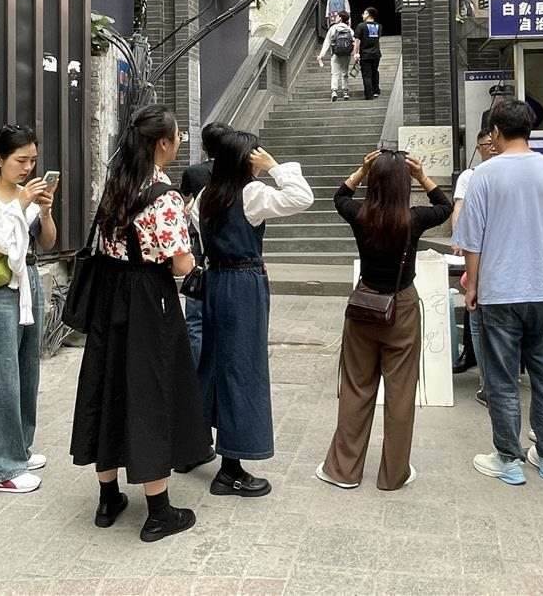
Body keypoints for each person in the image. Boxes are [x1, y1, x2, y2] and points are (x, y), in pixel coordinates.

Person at [70, 105, 211, 542]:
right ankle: (159, 512)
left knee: (106, 387)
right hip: (149, 299)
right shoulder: (164, 196)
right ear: (162, 143)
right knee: (151, 393)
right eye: (178, 136)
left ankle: (108, 497)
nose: (180, 142)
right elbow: (181, 263)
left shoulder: (116, 185)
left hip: (110, 295)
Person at [454, 100, 543, 485]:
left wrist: (473, 285)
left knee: (502, 378)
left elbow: (472, 241)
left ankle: (508, 459)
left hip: (498, 291)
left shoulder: (483, 175)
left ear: (495, 132)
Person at [318, 150, 453, 491]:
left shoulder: (359, 214)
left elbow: (339, 197)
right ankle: (393, 474)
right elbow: (445, 206)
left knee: (356, 387)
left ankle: (344, 470)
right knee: (401, 392)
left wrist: (362, 170)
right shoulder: (414, 219)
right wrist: (422, 176)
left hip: (364, 304)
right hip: (402, 305)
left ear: (374, 181)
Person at [197, 132, 313, 497]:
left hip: (215, 281)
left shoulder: (206, 194)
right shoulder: (251, 194)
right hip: (243, 284)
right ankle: (231, 468)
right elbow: (302, 197)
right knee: (243, 369)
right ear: (245, 160)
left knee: (215, 364)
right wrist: (275, 167)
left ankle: (194, 444)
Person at [0, 125, 57, 493]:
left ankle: (19, 448)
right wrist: (20, 205)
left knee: (25, 371)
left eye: (33, 160)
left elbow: (47, 242)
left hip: (27, 281)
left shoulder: (26, 194)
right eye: (21, 160)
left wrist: (44, 212)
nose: (28, 168)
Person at [180, 121, 234, 368]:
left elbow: (184, 202)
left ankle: (197, 370)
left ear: (203, 146)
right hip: (231, 249)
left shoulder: (193, 173)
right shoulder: (238, 175)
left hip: (200, 247)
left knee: (195, 317)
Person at [452, 128, 496, 380]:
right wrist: (458, 237)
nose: (491, 147)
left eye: (493, 142)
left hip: (498, 252)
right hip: (478, 250)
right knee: (473, 298)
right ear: (478, 148)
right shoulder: (470, 176)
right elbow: (459, 205)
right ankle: (471, 355)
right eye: (486, 144)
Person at [317, 11, 356, 102]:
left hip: (335, 54)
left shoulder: (333, 28)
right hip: (346, 54)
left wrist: (321, 55)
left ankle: (334, 91)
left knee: (335, 73)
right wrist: (355, 54)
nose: (335, 17)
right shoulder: (349, 29)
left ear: (340, 18)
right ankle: (345, 92)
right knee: (345, 73)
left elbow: (327, 42)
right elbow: (354, 42)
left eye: (337, 16)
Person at [353, 7, 383, 100]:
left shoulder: (361, 26)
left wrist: (356, 53)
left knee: (367, 75)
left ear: (369, 15)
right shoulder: (379, 26)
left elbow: (357, 41)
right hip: (376, 54)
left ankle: (369, 95)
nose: (363, 15)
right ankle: (376, 91)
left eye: (364, 13)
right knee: (375, 72)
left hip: (365, 54)